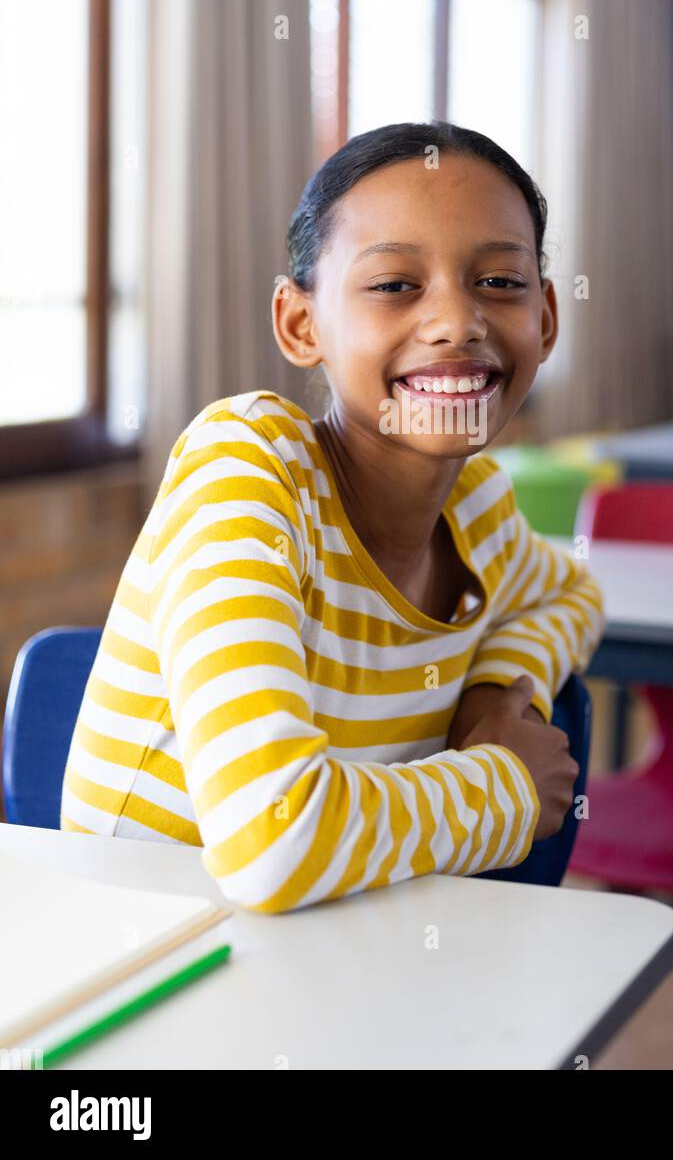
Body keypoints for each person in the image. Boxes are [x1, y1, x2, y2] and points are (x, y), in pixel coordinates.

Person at [60, 121, 604, 913]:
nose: (458, 321)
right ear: (299, 324)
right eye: (394, 285)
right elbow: (272, 842)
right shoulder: (246, 470)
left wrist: (494, 694)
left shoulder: (478, 504)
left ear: (546, 318)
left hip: (340, 954)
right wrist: (507, 786)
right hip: (143, 973)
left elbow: (572, 596)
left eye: (499, 282)